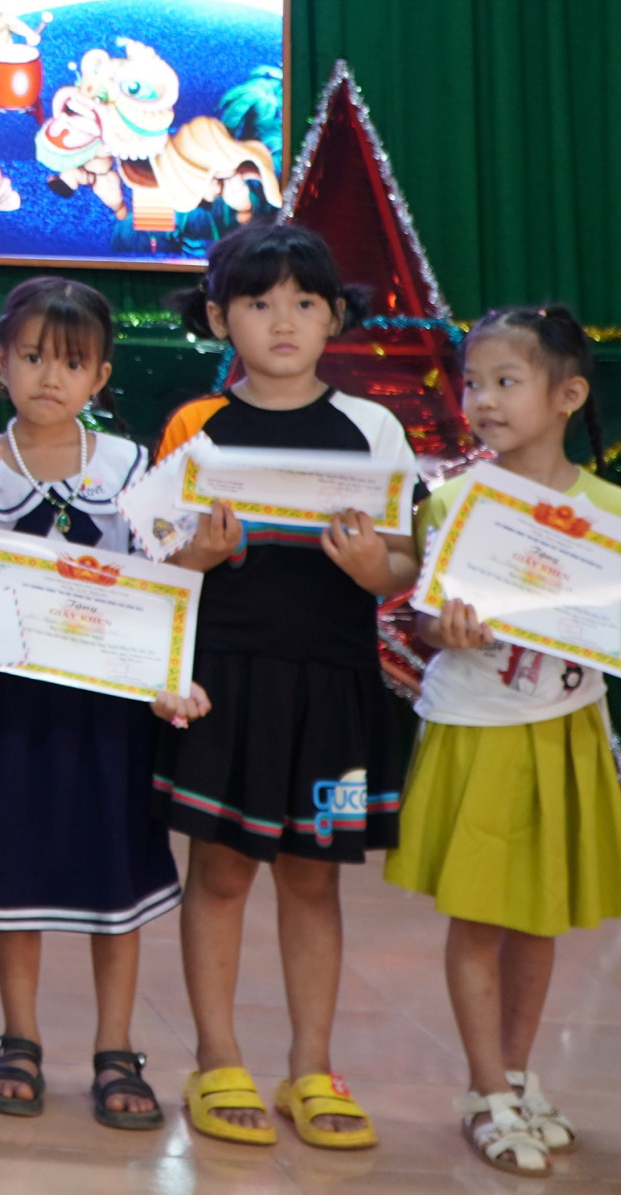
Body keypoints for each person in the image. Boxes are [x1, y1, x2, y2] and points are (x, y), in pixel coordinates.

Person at [389, 305, 621, 1176]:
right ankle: (485, 1090)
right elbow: (425, 622)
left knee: (538, 912)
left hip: (565, 727)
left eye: (505, 382)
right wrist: (446, 628)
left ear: (567, 394)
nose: (482, 399)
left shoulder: (613, 509)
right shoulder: (454, 502)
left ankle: (516, 1074)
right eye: (472, 382)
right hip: (478, 727)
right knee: (480, 913)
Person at [153, 219, 421, 1151]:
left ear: (334, 316)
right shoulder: (196, 426)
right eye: (259, 302)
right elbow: (159, 559)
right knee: (221, 871)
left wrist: (375, 571)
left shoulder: (373, 427)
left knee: (314, 879)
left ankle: (313, 1065)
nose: (282, 321)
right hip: (225, 681)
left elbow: (402, 560)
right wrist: (200, 551)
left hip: (333, 684)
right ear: (218, 317)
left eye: (305, 303)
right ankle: (216, 1056)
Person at [0, 276, 193, 1130]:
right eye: (31, 356)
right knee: (15, 866)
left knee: (116, 878)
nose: (49, 376)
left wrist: (178, 661)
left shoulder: (132, 466)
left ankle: (116, 1046)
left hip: (112, 710)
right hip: (10, 701)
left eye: (71, 362)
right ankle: (19, 1037)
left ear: (101, 375)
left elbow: (169, 578)